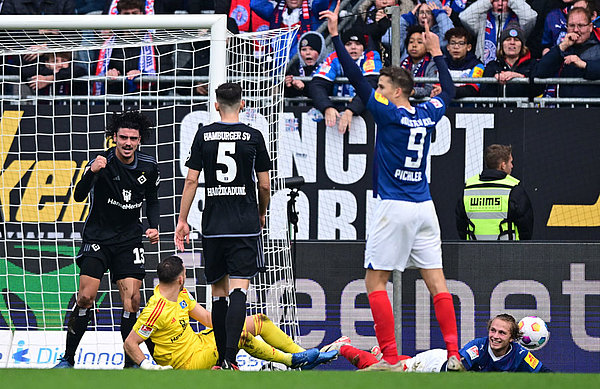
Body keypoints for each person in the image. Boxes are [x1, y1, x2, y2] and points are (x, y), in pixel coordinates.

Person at [319, 1, 462, 371]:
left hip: (393, 205)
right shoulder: (427, 112)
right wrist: (437, 54)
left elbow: (354, 78)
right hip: (424, 206)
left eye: (382, 86)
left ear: (398, 90)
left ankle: (392, 356)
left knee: (375, 281)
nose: (377, 90)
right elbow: (448, 92)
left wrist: (335, 36)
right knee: (437, 282)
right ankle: (453, 353)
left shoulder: (389, 111)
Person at [53, 110, 160, 368]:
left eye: (133, 138)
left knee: (132, 300)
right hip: (98, 238)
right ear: (114, 137)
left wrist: (154, 226)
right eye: (122, 137)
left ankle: (130, 362)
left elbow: (153, 201)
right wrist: (90, 171)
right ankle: (68, 358)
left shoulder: (149, 166)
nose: (127, 143)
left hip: (129, 239)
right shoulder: (102, 162)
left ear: (139, 141)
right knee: (86, 298)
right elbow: (78, 196)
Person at [175, 82, 271, 370]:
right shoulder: (253, 136)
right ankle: (231, 358)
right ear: (242, 104)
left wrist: (182, 220)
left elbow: (191, 180)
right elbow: (264, 185)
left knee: (218, 292)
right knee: (240, 289)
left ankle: (219, 358)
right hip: (244, 223)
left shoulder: (203, 134)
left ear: (215, 105)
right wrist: (261, 213)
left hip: (214, 223)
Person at [124, 255, 337, 370]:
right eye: (186, 275)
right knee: (239, 338)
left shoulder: (181, 295)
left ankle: (302, 357)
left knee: (259, 321)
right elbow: (130, 343)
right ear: (180, 278)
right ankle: (291, 361)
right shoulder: (155, 310)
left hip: (200, 344)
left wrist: (234, 323)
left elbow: (208, 319)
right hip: (187, 363)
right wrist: (148, 367)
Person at [322, 313, 551, 372]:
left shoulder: (519, 355)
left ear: (512, 338)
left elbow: (545, 375)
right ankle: (342, 347)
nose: (495, 336)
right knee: (383, 372)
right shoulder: (479, 347)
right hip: (433, 367)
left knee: (396, 363)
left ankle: (381, 352)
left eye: (502, 333)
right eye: (493, 330)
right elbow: (455, 371)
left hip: (435, 362)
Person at [309, 28, 382, 133]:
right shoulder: (334, 57)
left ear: (363, 47)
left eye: (357, 44)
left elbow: (371, 84)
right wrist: (327, 107)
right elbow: (317, 84)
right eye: (348, 44)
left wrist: (351, 110)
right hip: (338, 112)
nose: (353, 47)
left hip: (366, 113)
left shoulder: (371, 56)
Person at [93, 0, 174, 96]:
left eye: (134, 14)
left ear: (142, 14)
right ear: (119, 17)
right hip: (114, 101)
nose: (131, 18)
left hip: (148, 102)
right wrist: (110, 75)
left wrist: (144, 77)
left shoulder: (158, 43)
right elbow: (93, 71)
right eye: (126, 14)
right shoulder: (107, 45)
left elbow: (167, 76)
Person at [456, 144, 533, 240]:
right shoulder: (513, 189)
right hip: (507, 252)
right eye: (510, 162)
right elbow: (525, 227)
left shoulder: (468, 188)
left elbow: (461, 226)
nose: (512, 166)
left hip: (474, 252)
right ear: (503, 165)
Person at [535, 6, 600, 97]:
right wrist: (562, 46)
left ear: (590, 27)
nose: (576, 30)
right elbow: (540, 72)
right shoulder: (563, 48)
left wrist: (584, 65)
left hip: (592, 108)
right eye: (572, 26)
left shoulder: (598, 47)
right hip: (565, 108)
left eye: (581, 25)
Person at [459, 0, 538, 65]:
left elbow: (530, 17)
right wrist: (487, 1)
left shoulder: (519, 21)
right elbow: (464, 17)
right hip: (484, 67)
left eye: (504, 1)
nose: (500, 4)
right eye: (496, 0)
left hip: (512, 68)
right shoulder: (483, 20)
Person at [250, 0, 333, 58]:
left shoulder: (314, 12)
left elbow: (321, 2)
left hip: (304, 68)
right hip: (278, 69)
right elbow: (255, 4)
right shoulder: (275, 11)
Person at [479, 24, 540, 98]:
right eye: (508, 39)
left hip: (524, 109)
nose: (512, 43)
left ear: (522, 45)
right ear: (502, 45)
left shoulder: (532, 65)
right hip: (499, 109)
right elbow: (483, 92)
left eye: (516, 40)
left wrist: (521, 77)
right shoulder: (493, 66)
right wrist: (494, 80)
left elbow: (538, 90)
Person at [435, 27, 484, 99]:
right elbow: (437, 86)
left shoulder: (477, 65)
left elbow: (472, 89)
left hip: (468, 109)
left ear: (469, 47)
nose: (456, 47)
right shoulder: (441, 64)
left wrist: (447, 90)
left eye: (461, 43)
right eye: (452, 43)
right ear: (448, 47)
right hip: (446, 107)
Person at [20, 51, 88, 99]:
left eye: (64, 61)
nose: (60, 65)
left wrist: (50, 79)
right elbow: (24, 72)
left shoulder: (74, 71)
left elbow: (80, 70)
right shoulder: (41, 72)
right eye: (54, 61)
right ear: (47, 64)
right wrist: (52, 73)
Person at [400, 25, 439, 98]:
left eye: (419, 42)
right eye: (411, 42)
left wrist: (413, 92)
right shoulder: (403, 63)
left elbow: (430, 88)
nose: (414, 45)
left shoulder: (432, 64)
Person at [285, 31, 327, 98]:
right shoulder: (294, 68)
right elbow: (287, 95)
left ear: (320, 52)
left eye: (312, 49)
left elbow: (326, 91)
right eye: (304, 49)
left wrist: (304, 87)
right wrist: (288, 85)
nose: (307, 53)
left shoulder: (327, 67)